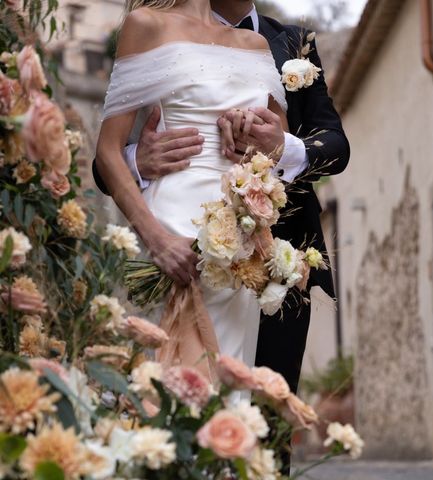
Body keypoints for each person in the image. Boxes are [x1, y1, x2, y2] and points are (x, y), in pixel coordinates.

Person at [93, 0, 349, 395]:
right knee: (164, 385)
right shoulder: (146, 25)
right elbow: (107, 153)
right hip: (172, 224)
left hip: (245, 244)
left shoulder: (263, 45)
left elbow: (288, 144)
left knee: (232, 394)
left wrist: (260, 137)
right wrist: (157, 240)